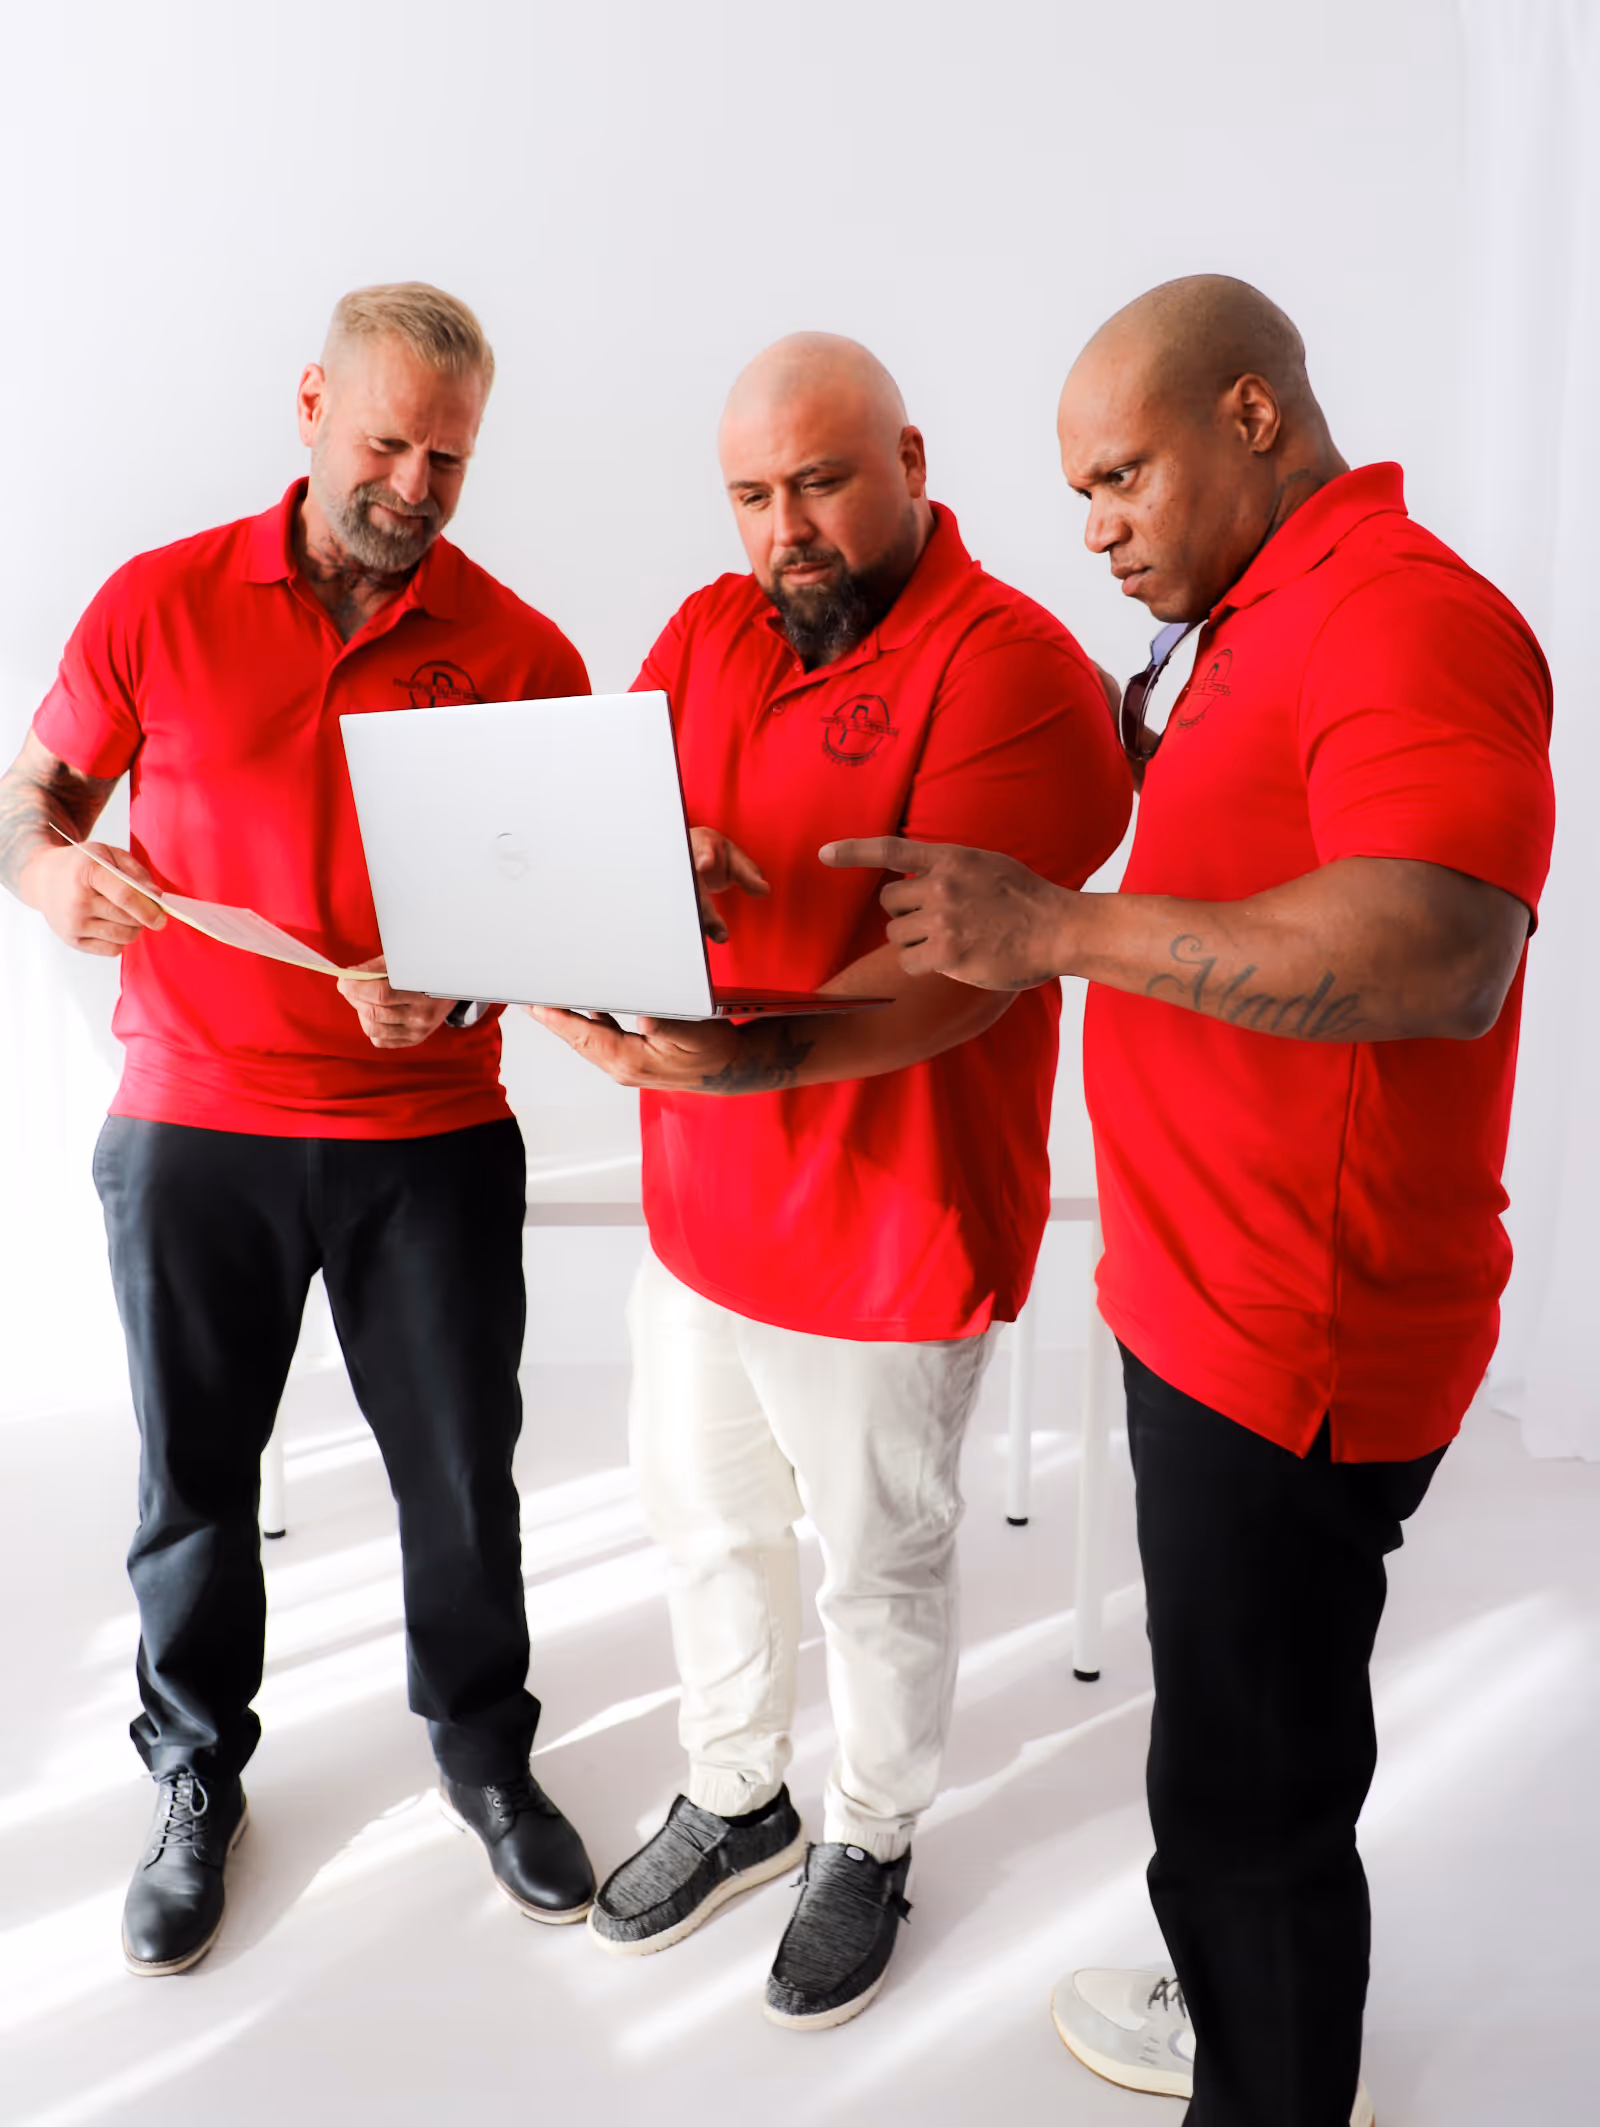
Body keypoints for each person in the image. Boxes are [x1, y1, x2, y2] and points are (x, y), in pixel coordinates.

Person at [822, 276, 1555, 2124]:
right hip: (1201, 1302)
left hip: (1295, 1337)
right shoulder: (1251, 618)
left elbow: (1437, 947)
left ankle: (1273, 2070)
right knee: (1234, 1749)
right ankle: (1235, 1994)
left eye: (1123, 475)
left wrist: (1056, 927)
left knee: (1248, 1800)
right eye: (1075, 493)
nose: (1095, 530)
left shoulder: (1406, 615)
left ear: (1251, 416)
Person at [531, 332, 1132, 2028]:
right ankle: (738, 1791)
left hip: (888, 1223)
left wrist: (758, 1052)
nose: (784, 527)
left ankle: (868, 1832)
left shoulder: (1011, 668)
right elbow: (605, 810)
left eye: (819, 482)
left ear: (913, 461)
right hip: (703, 1205)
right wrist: (661, 857)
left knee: (877, 1558)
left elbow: (968, 975)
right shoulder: (715, 628)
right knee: (705, 1519)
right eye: (750, 494)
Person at [0, 282, 597, 1976]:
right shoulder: (159, 599)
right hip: (195, 1123)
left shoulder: (523, 651)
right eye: (389, 441)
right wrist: (54, 874)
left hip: (428, 1133)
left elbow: (559, 912)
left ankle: (488, 1758)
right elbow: (31, 797)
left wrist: (465, 989)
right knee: (194, 1481)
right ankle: (196, 1778)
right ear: (313, 404)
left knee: (461, 1484)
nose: (415, 484)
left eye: (452, 458)